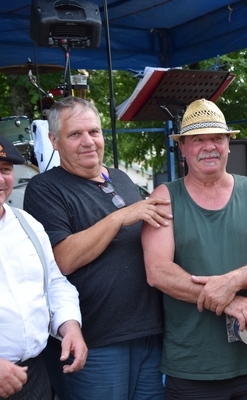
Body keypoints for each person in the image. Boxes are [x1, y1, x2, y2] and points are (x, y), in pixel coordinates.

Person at [23, 96, 172, 400]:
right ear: (53, 140)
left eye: (94, 131)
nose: (88, 141)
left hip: (148, 333)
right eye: (75, 134)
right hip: (95, 340)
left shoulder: (121, 178)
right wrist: (118, 218)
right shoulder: (44, 188)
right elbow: (62, 259)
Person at [141, 99, 247, 399]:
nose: (209, 146)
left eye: (217, 138)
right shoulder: (165, 197)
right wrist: (228, 301)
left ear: (228, 144)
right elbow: (158, 272)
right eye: (198, 140)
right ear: (182, 148)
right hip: (193, 366)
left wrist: (231, 283)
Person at [0, 134, 86, 400]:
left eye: (6, 170)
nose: (0, 181)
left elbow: (54, 284)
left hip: (33, 376)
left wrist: (70, 326)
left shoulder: (28, 225)